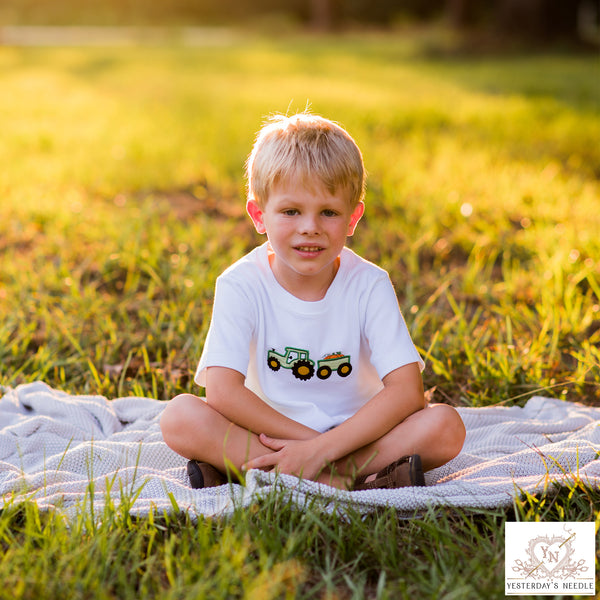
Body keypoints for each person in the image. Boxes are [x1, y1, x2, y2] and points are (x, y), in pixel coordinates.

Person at [160, 112, 465, 490]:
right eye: (291, 211)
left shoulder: (369, 284)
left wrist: (327, 448)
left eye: (329, 212)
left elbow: (406, 391)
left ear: (352, 218)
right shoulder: (240, 284)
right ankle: (345, 479)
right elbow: (222, 393)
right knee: (179, 416)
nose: (310, 227)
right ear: (259, 215)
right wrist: (311, 445)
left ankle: (261, 472)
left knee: (445, 426)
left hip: (358, 435)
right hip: (267, 430)